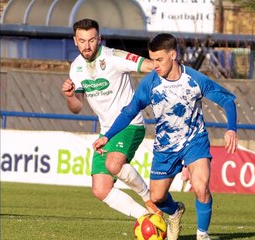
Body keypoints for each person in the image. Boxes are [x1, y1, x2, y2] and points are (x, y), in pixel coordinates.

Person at [92, 33, 238, 240]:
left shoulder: (194, 79)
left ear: (173, 55)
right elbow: (128, 112)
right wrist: (108, 136)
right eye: (152, 60)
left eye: (159, 60)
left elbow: (227, 100)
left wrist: (231, 128)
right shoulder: (150, 84)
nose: (155, 65)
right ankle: (176, 212)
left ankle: (202, 234)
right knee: (157, 198)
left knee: (200, 186)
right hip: (165, 147)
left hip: (194, 141)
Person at [61, 18, 161, 219]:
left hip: (129, 125)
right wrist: (70, 96)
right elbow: (77, 108)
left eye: (91, 40)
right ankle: (150, 219)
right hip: (106, 132)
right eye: (82, 41)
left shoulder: (114, 57)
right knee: (100, 189)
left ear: (99, 38)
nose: (87, 45)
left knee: (113, 164)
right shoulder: (76, 67)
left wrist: (170, 68)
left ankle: (148, 197)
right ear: (75, 41)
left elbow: (149, 65)